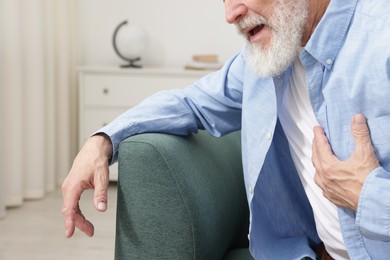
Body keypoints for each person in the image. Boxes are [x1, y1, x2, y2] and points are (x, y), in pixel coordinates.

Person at [62, 0, 390, 259]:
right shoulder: (265, 62)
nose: (230, 14)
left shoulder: (381, 36)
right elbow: (189, 102)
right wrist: (101, 141)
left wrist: (367, 197)